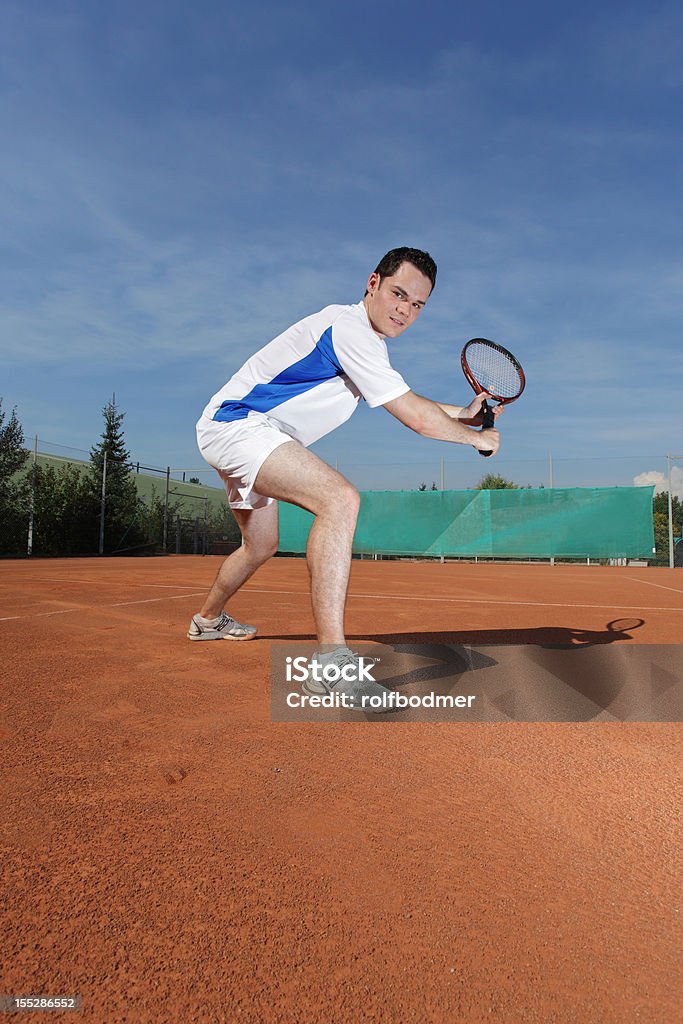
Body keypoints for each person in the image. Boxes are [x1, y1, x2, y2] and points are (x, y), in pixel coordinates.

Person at [188, 247, 501, 707]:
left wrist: (467, 416)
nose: (405, 311)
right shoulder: (349, 328)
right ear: (372, 283)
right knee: (339, 499)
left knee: (259, 545)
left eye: (417, 305)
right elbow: (413, 416)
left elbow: (410, 399)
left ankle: (207, 620)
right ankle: (331, 666)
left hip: (246, 433)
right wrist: (475, 439)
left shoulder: (365, 344)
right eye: (398, 294)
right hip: (240, 426)